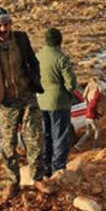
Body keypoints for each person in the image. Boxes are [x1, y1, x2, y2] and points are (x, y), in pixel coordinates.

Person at [0, 6, 50, 198]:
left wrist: (35, 80)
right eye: (0, 25)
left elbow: (33, 61)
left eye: (7, 24)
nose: (4, 29)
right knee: (9, 143)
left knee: (35, 139)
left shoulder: (21, 38)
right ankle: (13, 181)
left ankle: (38, 178)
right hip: (6, 101)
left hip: (27, 97)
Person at [37, 28, 80, 177]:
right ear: (59, 41)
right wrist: (68, 91)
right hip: (59, 102)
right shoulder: (60, 58)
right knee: (60, 136)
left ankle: (46, 169)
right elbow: (71, 83)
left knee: (46, 136)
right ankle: (58, 170)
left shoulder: (38, 56)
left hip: (41, 101)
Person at [75, 78, 103, 151]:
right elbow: (98, 95)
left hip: (87, 118)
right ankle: (95, 146)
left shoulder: (89, 103)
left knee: (88, 132)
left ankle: (78, 145)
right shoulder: (94, 102)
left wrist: (97, 114)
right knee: (97, 130)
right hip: (91, 118)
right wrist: (99, 89)